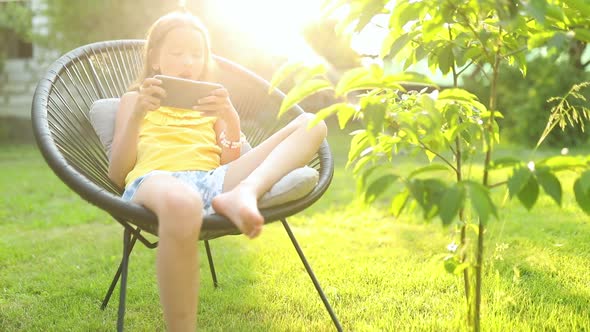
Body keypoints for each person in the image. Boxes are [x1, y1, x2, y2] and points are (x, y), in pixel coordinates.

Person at [107, 10, 327, 331]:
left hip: (214, 181)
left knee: (311, 123)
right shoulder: (133, 101)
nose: (188, 62)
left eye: (197, 54)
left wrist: (231, 118)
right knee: (184, 202)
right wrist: (139, 112)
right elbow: (117, 172)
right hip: (156, 181)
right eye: (178, 53)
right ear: (155, 58)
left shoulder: (210, 104)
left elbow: (228, 161)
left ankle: (245, 194)